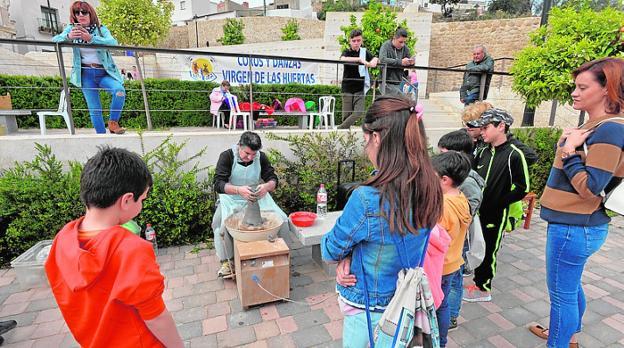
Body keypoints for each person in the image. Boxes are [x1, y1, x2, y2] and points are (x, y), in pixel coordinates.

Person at [321, 96, 443, 346]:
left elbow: (329, 249)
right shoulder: (431, 185)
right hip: (406, 302)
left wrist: (344, 256)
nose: (366, 150)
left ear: (376, 138)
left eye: (365, 141)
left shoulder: (367, 198)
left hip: (368, 305)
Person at [45, 147, 183, 348]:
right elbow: (156, 318)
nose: (142, 204)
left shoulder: (63, 239)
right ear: (127, 200)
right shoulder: (130, 249)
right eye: (143, 199)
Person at [529, 57, 624, 348]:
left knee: (562, 294)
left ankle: (559, 341)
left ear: (608, 89)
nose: (575, 92)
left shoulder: (611, 128)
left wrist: (569, 151)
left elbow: (592, 187)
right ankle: (567, 335)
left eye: (583, 87)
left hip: (574, 226)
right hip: (576, 225)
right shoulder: (599, 125)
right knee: (568, 289)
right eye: (575, 86)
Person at [463, 108, 530, 303]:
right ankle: (475, 277)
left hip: (495, 214)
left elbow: (522, 187)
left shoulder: (514, 155)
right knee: (475, 243)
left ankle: (483, 288)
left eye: (485, 127)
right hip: (476, 211)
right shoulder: (483, 151)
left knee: (489, 248)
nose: (481, 132)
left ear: (501, 127)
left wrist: (498, 202)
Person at [212, 131, 288, 277]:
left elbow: (273, 179)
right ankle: (228, 262)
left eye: (254, 154)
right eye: (247, 153)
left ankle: (281, 255)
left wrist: (266, 187)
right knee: (220, 227)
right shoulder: (227, 156)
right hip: (232, 196)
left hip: (257, 196)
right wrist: (238, 190)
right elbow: (218, 184)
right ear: (239, 146)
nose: (250, 157)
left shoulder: (261, 157)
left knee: (282, 220)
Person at [52, 1, 126, 134]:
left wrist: (92, 38)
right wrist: (68, 37)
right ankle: (102, 140)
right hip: (85, 74)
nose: (80, 15)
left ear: (90, 14)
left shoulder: (100, 29)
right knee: (94, 109)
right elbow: (55, 40)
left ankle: (113, 123)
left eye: (84, 12)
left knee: (119, 91)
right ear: (74, 15)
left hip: (104, 72)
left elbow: (113, 42)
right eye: (77, 12)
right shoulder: (71, 29)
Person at [437, 130, 484, 331]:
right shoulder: (458, 191)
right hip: (454, 245)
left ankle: (451, 317)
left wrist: (459, 221)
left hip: (452, 243)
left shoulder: (461, 190)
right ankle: (448, 318)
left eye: (444, 153)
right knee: (451, 285)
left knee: (451, 285)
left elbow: (474, 201)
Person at [430, 151, 471, 348]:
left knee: (433, 306)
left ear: (444, 180)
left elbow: (431, 238)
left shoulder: (443, 206)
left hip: (439, 267)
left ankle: (435, 341)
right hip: (454, 262)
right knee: (443, 304)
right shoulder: (461, 198)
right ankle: (442, 342)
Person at [462, 101, 539, 165]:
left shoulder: (506, 143)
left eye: (472, 124)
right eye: (466, 123)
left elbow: (531, 157)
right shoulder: (465, 137)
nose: (468, 127)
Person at [338, 29, 378, 129]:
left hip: (359, 88)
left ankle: (340, 129)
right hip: (347, 87)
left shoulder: (364, 52)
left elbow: (375, 58)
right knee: (346, 115)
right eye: (354, 41)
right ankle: (344, 135)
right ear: (350, 41)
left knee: (359, 112)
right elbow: (342, 59)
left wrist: (373, 61)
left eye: (358, 40)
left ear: (362, 41)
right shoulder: (347, 51)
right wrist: (359, 60)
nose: (356, 43)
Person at [379, 28, 414, 95]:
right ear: (394, 38)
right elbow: (382, 59)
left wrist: (411, 62)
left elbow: (408, 59)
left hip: (398, 82)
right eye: (400, 42)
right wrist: (400, 62)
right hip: (386, 82)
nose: (402, 44)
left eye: (404, 42)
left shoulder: (405, 48)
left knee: (401, 103)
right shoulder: (385, 45)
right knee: (394, 103)